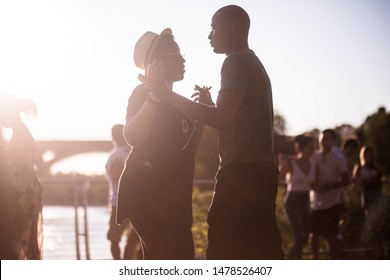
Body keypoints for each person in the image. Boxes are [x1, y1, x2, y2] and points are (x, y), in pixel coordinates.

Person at [139, 5, 285, 259]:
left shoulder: (235, 61)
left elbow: (221, 118)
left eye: (213, 28)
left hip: (241, 172)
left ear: (231, 28)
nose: (209, 35)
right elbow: (232, 116)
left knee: (222, 250)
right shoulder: (254, 63)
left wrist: (166, 95)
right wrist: (210, 106)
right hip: (263, 171)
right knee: (264, 248)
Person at [117, 28, 210, 259]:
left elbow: (189, 148)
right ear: (157, 63)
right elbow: (133, 137)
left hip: (175, 200)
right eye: (176, 54)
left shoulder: (178, 102)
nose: (183, 59)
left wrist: (204, 115)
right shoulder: (143, 93)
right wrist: (154, 97)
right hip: (151, 197)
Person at [0, 94, 43, 259]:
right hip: (28, 192)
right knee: (25, 241)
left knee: (18, 240)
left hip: (22, 196)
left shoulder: (20, 134)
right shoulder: (21, 132)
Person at [310, 129, 349, 259]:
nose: (323, 141)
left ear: (332, 141)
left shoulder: (339, 159)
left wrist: (330, 186)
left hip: (332, 201)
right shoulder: (314, 156)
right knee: (314, 235)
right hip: (316, 202)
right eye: (322, 138)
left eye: (327, 139)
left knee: (331, 234)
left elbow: (345, 179)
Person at [105, 124, 139, 259]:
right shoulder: (135, 153)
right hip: (138, 202)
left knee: (114, 239)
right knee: (136, 239)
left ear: (113, 137)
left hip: (117, 203)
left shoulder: (112, 156)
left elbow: (113, 178)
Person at [279, 135, 315, 259]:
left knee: (305, 236)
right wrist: (282, 164)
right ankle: (291, 260)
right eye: (310, 148)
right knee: (300, 234)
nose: (312, 151)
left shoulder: (313, 164)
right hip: (292, 201)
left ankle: (293, 259)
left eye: (313, 148)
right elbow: (279, 177)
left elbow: (316, 185)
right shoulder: (291, 163)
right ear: (302, 149)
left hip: (305, 201)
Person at [354, 146, 387, 258]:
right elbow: (360, 185)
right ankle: (379, 249)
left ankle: (381, 249)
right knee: (373, 225)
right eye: (367, 155)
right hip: (368, 200)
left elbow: (377, 184)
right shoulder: (359, 169)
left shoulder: (376, 169)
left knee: (378, 224)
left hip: (377, 199)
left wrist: (369, 182)